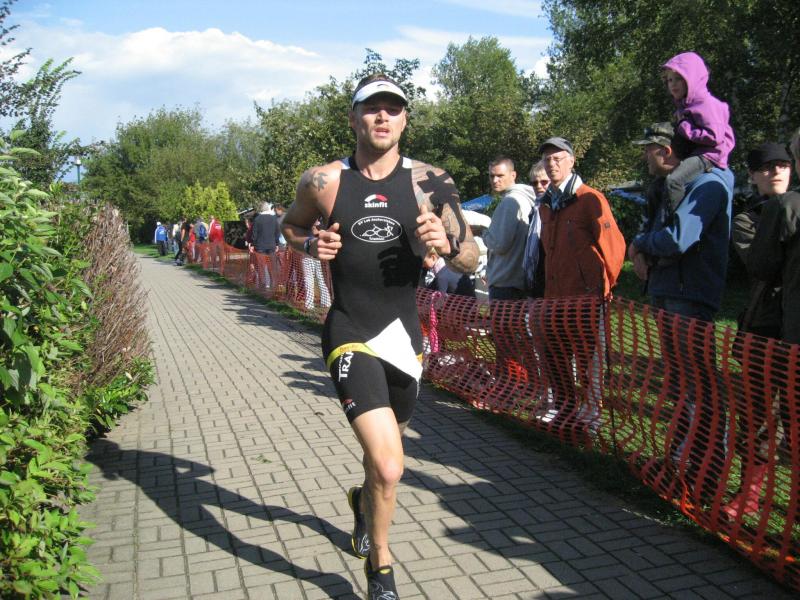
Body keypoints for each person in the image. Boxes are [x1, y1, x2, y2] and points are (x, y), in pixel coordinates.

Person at [281, 74, 478, 599]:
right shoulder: (323, 181)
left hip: (404, 338)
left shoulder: (431, 182)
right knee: (391, 466)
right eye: (372, 108)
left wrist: (448, 243)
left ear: (406, 119)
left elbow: (470, 256)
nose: (383, 116)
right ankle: (381, 567)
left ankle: (363, 502)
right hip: (349, 328)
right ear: (353, 118)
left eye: (394, 108)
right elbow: (290, 227)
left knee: (380, 458)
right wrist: (310, 246)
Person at [628, 122, 734, 499]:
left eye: (649, 147)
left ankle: (707, 475)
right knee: (681, 386)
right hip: (669, 290)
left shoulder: (707, 185)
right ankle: (683, 462)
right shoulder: (671, 187)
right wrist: (642, 249)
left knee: (699, 389)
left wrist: (641, 243)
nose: (645, 154)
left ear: (668, 150)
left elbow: (677, 238)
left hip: (688, 295)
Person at [533, 137, 625, 435]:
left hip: (586, 301)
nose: (551, 164)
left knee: (589, 363)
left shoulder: (590, 199)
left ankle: (591, 419)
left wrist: (601, 290)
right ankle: (566, 412)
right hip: (554, 299)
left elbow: (614, 249)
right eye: (547, 159)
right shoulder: (547, 205)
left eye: (558, 158)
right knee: (556, 358)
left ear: (572, 161)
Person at [723, 141, 793, 518]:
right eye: (766, 167)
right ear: (752, 176)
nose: (776, 172)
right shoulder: (748, 219)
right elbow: (762, 265)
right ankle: (749, 493)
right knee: (759, 417)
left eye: (783, 164)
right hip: (765, 328)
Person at [661, 51, 735, 212]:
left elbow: (714, 136)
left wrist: (684, 127)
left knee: (673, 181)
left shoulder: (706, 104)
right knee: (659, 184)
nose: (673, 84)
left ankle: (677, 219)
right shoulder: (687, 105)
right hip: (698, 153)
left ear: (692, 78)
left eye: (679, 78)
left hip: (710, 154)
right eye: (670, 80)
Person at [482, 157, 537, 300]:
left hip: (505, 282)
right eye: (491, 176)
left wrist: (483, 232)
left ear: (513, 175)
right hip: (518, 281)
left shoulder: (509, 202)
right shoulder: (525, 198)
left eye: (500, 176)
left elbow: (499, 245)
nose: (495, 180)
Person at [522, 160, 549, 298]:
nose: (539, 186)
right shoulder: (534, 211)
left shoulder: (557, 209)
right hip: (536, 280)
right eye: (534, 183)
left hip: (551, 281)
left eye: (544, 182)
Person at [251, 202, 281, 290]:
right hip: (271, 245)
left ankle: (263, 285)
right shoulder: (274, 219)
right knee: (272, 265)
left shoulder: (257, 219)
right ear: (268, 208)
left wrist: (253, 244)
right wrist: (277, 243)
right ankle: (273, 284)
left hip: (260, 246)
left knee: (261, 266)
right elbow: (277, 232)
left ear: (261, 209)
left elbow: (254, 234)